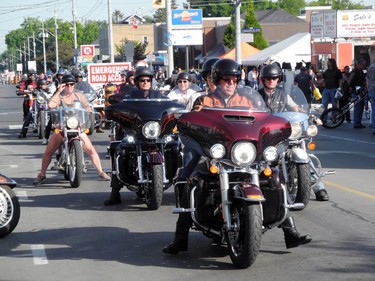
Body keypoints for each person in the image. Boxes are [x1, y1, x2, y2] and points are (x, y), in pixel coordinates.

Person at [162, 58, 312, 255]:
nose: (230, 84)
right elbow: (194, 120)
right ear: (216, 81)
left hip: (243, 153)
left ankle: (290, 231)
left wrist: (275, 125)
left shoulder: (247, 100)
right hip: (215, 154)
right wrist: (186, 121)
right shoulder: (205, 100)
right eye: (226, 80)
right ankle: (180, 238)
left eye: (234, 80)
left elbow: (262, 117)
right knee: (189, 180)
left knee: (275, 179)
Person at [258, 63, 329, 201]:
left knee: (304, 157)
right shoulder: (257, 96)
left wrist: (311, 115)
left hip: (282, 133)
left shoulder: (283, 96)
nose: (271, 81)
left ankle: (318, 188)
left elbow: (296, 108)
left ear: (278, 79)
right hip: (265, 135)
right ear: (263, 79)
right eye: (268, 78)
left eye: (274, 78)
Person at [104, 67, 167, 205]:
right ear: (137, 82)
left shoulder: (158, 96)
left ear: (151, 81)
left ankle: (180, 185)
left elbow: (168, 105)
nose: (145, 82)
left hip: (154, 132)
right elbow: (119, 103)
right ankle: (114, 192)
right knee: (117, 149)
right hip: (135, 132)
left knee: (174, 147)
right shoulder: (131, 96)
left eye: (148, 80)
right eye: (142, 80)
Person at [33, 74, 110, 186]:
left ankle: (101, 172)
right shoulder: (59, 96)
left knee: (91, 150)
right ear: (63, 85)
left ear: (74, 85)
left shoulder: (79, 95)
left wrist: (88, 112)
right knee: (48, 152)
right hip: (62, 127)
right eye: (66, 84)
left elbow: (87, 107)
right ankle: (42, 174)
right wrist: (59, 91)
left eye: (71, 84)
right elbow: (50, 105)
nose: (69, 86)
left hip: (77, 126)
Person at [348, 58, 367, 129]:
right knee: (357, 108)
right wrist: (350, 88)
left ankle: (358, 122)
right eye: (363, 65)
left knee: (361, 108)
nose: (364, 66)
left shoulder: (361, 71)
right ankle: (356, 123)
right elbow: (349, 81)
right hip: (355, 92)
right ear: (358, 64)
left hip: (360, 91)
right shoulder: (354, 71)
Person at [367, 62, 375, 135]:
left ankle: (374, 128)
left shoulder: (370, 67)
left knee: (373, 109)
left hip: (371, 89)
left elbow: (367, 78)